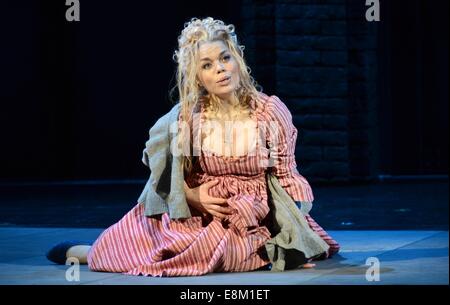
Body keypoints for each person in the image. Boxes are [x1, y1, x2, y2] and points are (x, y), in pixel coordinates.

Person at [46, 17, 340, 277]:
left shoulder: (269, 112)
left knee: (233, 252)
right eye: (208, 65)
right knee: (138, 246)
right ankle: (88, 252)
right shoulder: (189, 117)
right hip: (196, 215)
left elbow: (286, 176)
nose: (221, 70)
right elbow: (159, 166)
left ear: (237, 59)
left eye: (225, 58)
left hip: (253, 217)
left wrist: (295, 241)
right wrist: (189, 195)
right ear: (198, 76)